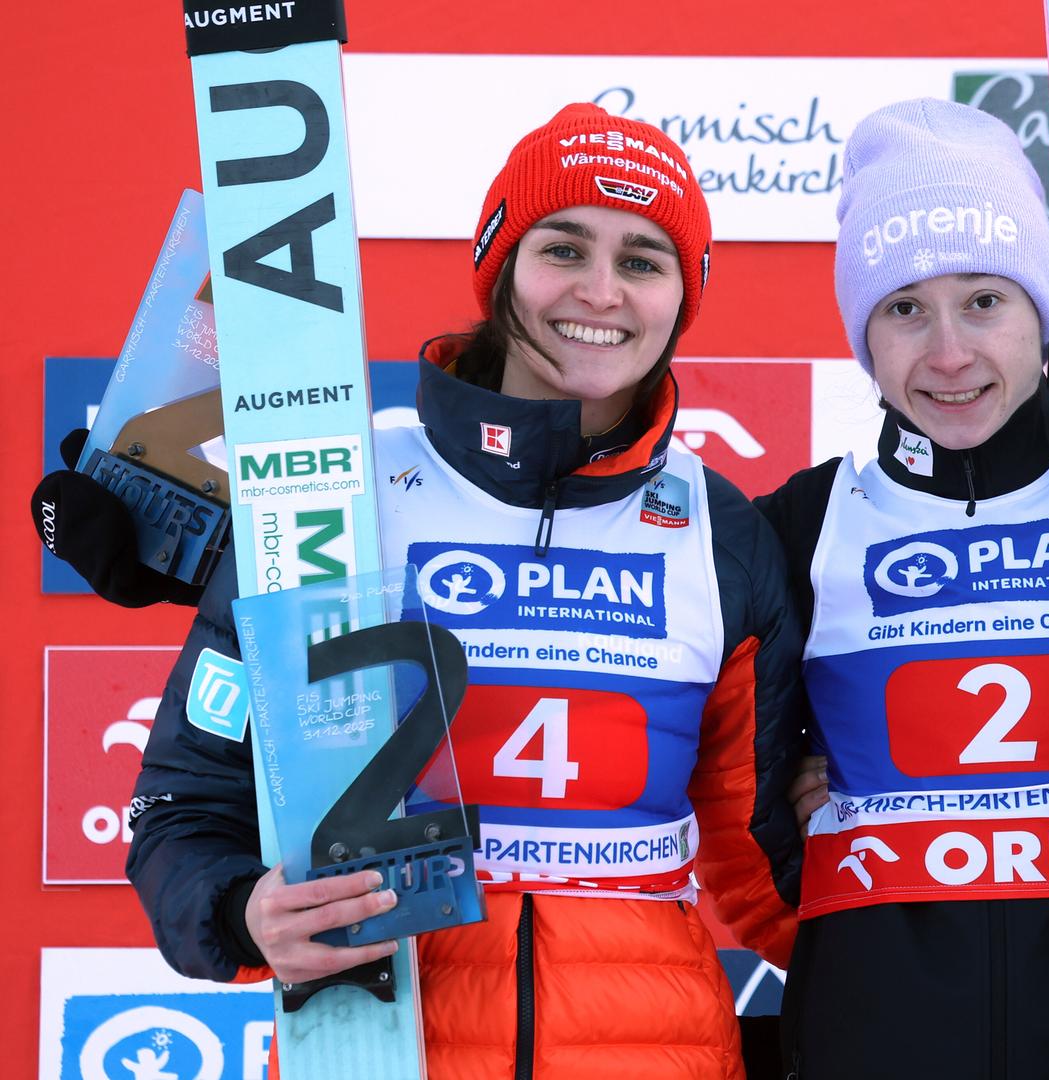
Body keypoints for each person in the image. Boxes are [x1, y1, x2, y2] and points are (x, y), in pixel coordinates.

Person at [117, 104, 803, 1079]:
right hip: (377, 1040)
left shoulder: (719, 530)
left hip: (654, 1051)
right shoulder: (338, 492)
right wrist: (238, 913)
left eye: (644, 260)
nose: (600, 292)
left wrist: (940, 983)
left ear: (681, 298)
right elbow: (189, 805)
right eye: (564, 247)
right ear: (500, 265)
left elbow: (760, 858)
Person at [756, 98, 1049, 1079]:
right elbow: (719, 788)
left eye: (985, 300)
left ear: (1044, 308)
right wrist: (795, 834)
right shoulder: (799, 527)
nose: (948, 354)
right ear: (866, 334)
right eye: (904, 308)